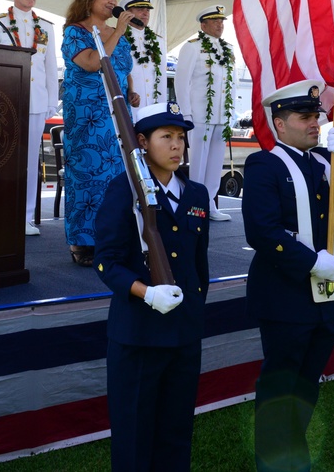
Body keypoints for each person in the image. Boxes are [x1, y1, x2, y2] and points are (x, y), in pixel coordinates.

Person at [244, 80, 334, 472]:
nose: (315, 123)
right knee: (280, 383)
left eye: (316, 115)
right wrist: (311, 262)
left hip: (323, 293)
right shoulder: (264, 164)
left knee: (306, 382)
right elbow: (262, 231)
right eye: (305, 117)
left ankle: (292, 449)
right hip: (284, 291)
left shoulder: (324, 161)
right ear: (280, 124)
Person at [94, 102, 208, 472]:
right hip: (139, 336)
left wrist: (194, 310)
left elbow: (198, 265)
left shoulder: (196, 194)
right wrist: (146, 291)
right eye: (166, 137)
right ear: (141, 142)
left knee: (176, 432)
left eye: (181, 138)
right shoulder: (122, 191)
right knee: (134, 436)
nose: (177, 146)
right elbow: (107, 262)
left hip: (183, 333)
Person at [61, 0, 140, 266]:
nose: (112, 1)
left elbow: (123, 66)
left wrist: (131, 90)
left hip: (117, 114)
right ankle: (82, 242)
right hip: (88, 116)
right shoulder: (75, 32)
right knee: (88, 175)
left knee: (118, 176)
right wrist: (118, 30)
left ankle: (113, 237)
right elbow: (93, 62)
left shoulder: (115, 32)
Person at [0, 0, 59, 236]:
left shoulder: (46, 27)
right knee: (1, 159)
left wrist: (52, 100)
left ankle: (25, 217)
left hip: (36, 102)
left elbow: (51, 67)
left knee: (28, 160)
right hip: (3, 103)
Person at [175, 5, 236, 221]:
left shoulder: (227, 49)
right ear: (203, 25)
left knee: (215, 165)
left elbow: (232, 83)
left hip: (221, 116)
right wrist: (186, 114)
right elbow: (181, 82)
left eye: (222, 21)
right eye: (215, 21)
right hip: (200, 115)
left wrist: (231, 114)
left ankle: (210, 205)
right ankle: (194, 206)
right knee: (198, 165)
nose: (220, 25)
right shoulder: (192, 48)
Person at [120, 0, 167, 116]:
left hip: (154, 106)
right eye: (140, 9)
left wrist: (161, 107)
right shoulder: (119, 37)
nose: (145, 13)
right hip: (129, 106)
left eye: (148, 10)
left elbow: (161, 77)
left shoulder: (158, 41)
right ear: (127, 13)